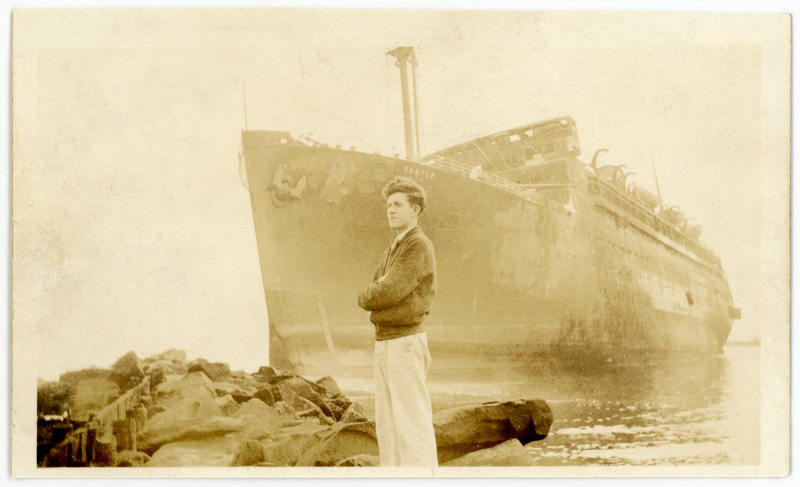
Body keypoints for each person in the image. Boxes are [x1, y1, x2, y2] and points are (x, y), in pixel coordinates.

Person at [357, 176, 439, 467]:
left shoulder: (417, 245)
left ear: (415, 210)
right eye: (389, 205)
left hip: (404, 342)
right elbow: (376, 288)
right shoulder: (395, 246)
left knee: (412, 422)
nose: (390, 210)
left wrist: (373, 296)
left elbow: (388, 290)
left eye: (398, 205)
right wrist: (375, 293)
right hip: (386, 342)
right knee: (389, 425)